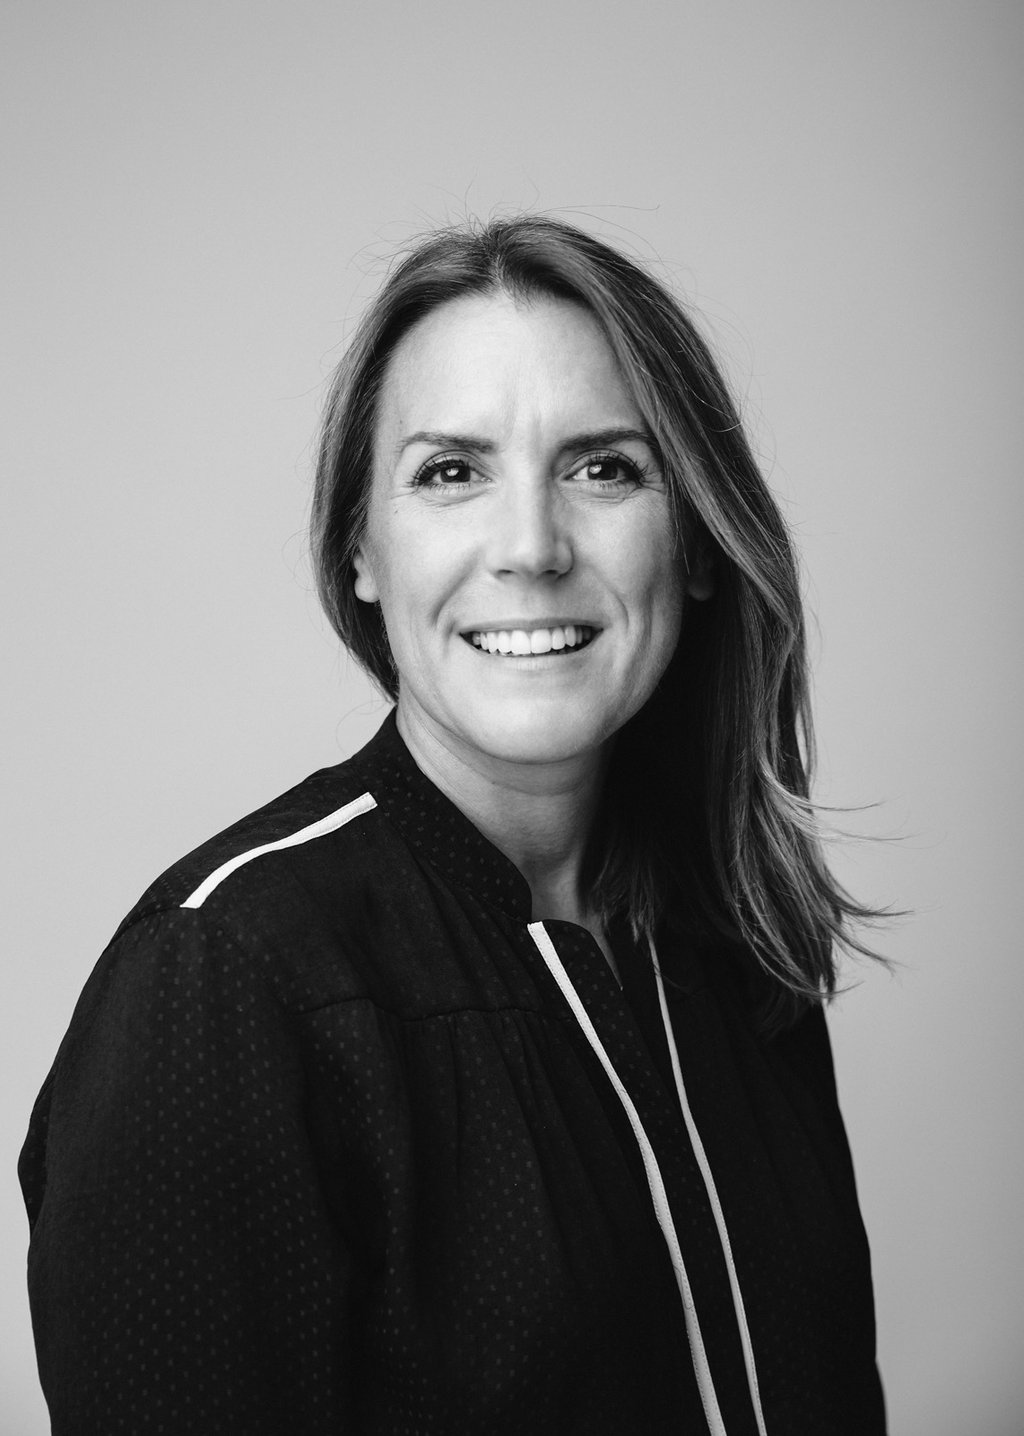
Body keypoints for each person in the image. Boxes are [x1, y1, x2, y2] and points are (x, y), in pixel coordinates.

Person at [20, 215, 887, 1434]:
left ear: (692, 534)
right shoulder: (220, 980)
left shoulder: (734, 947)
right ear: (360, 549)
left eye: (602, 466)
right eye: (449, 471)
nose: (530, 547)